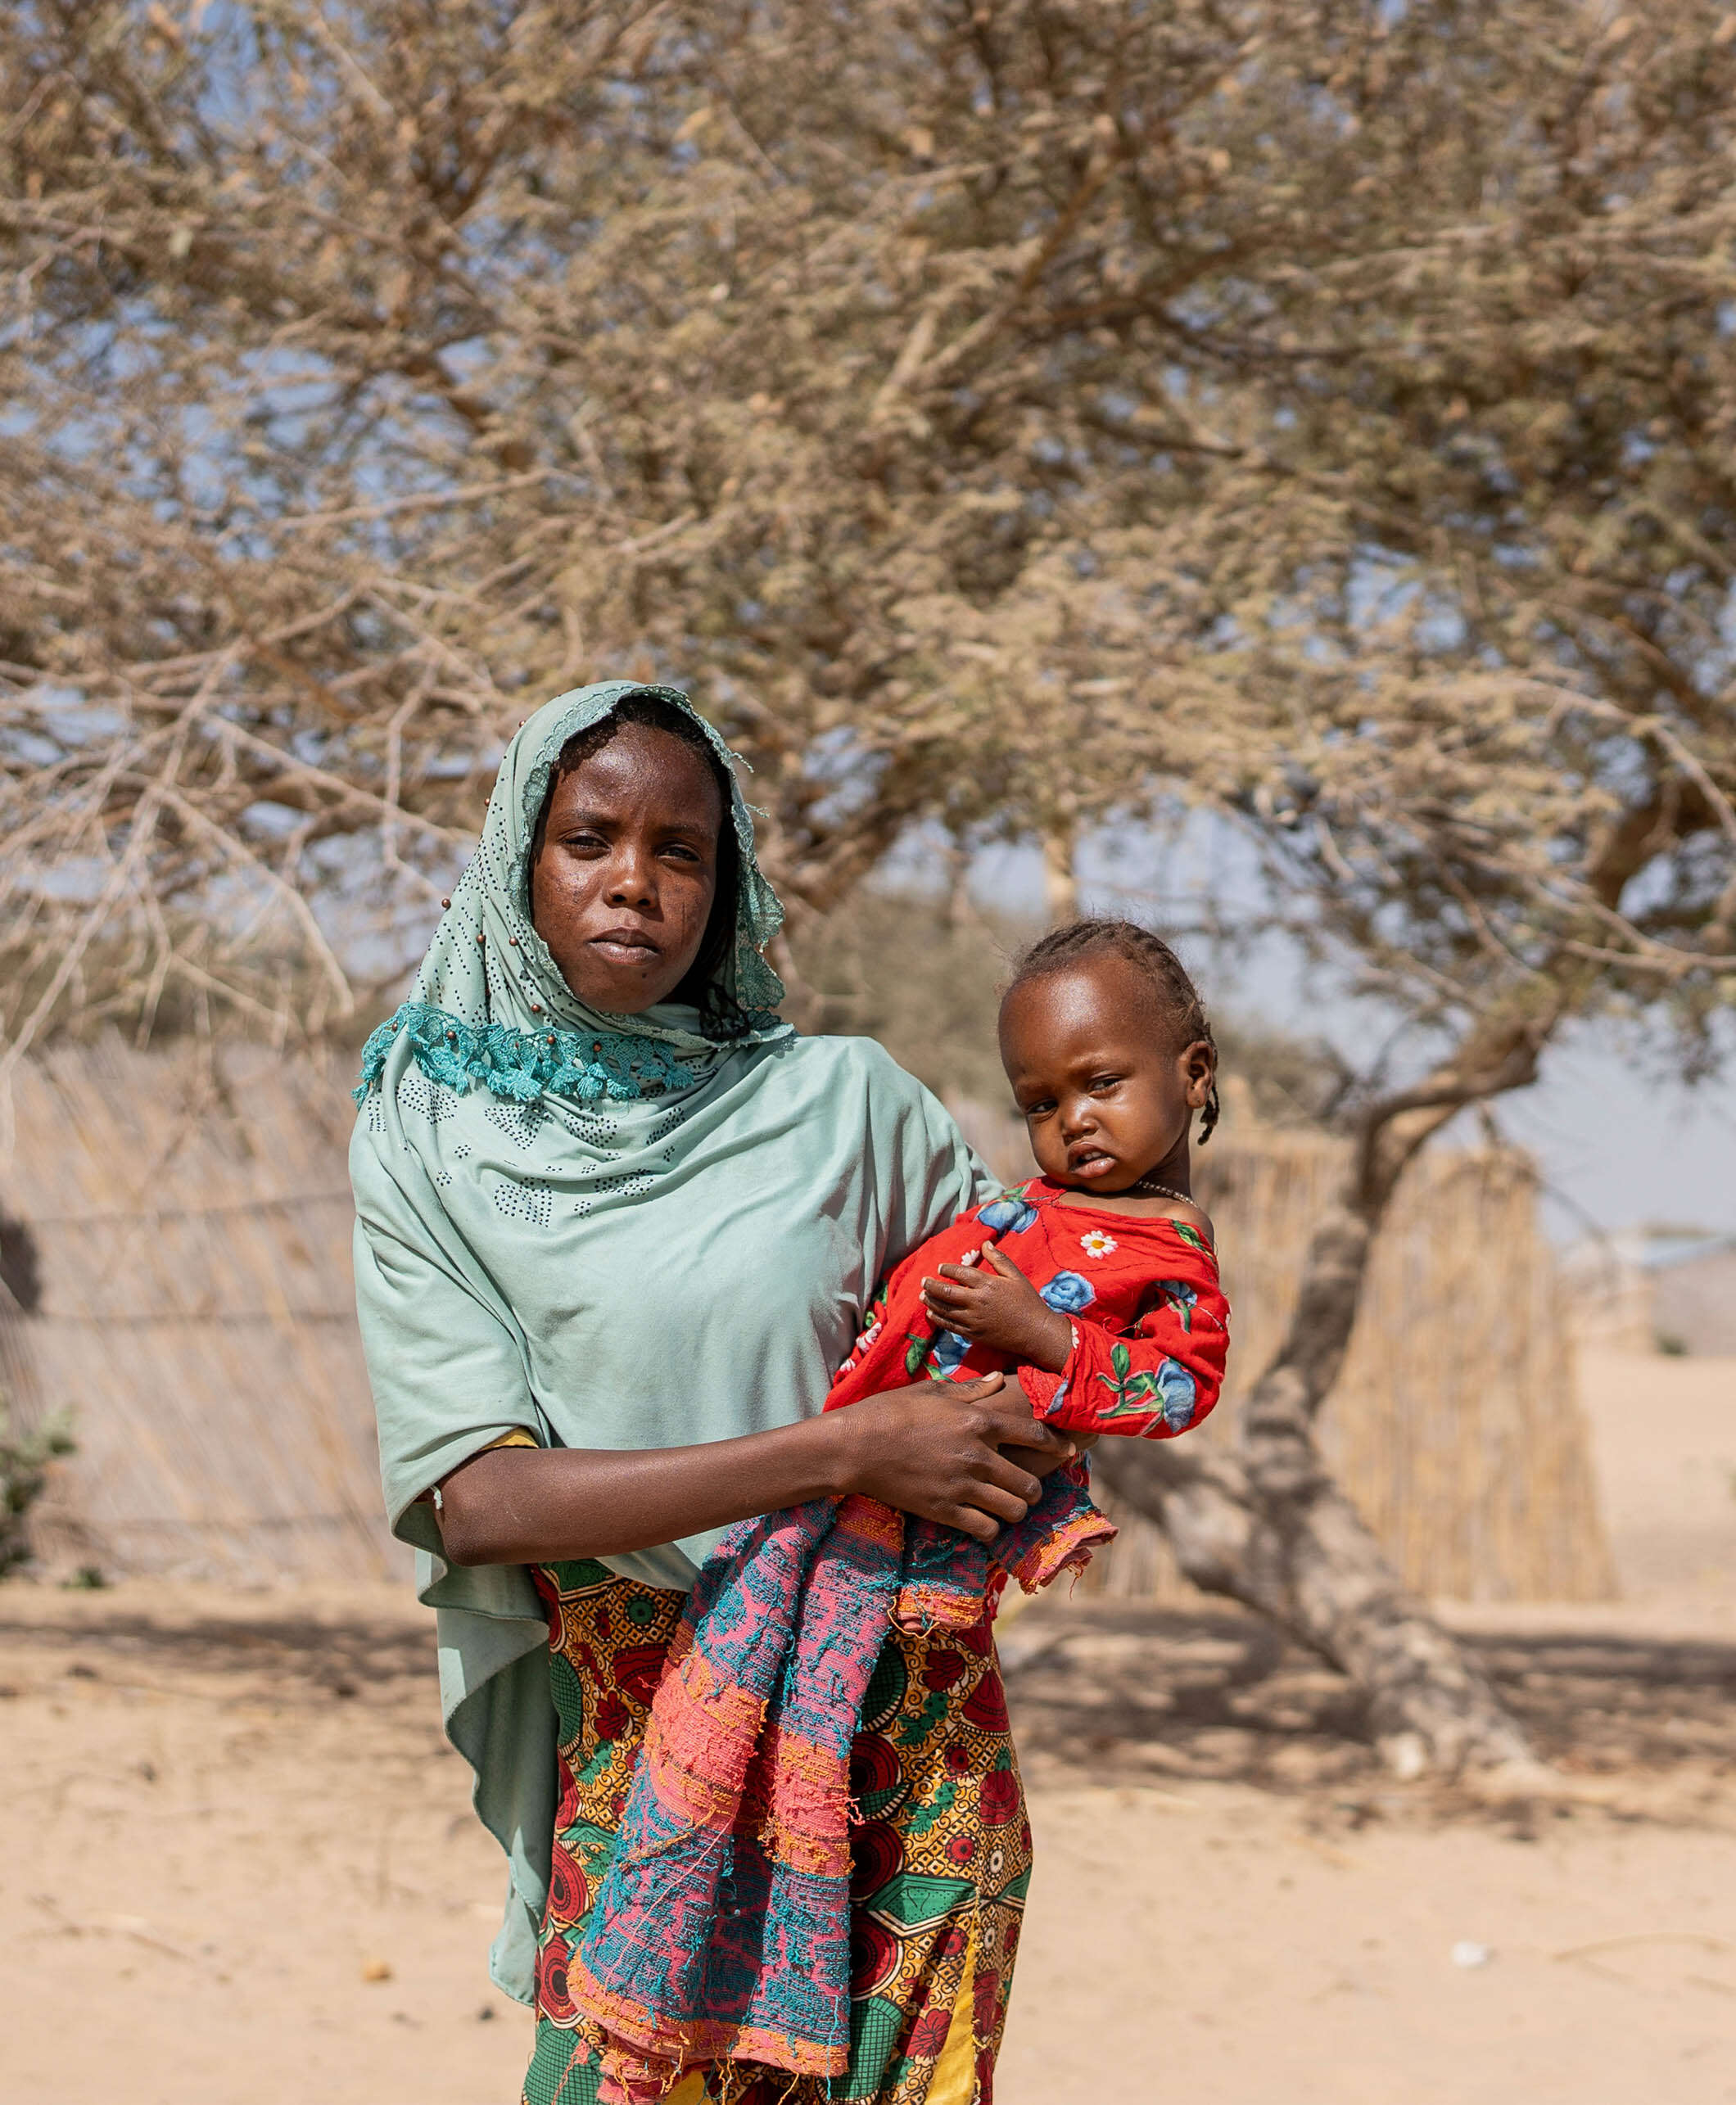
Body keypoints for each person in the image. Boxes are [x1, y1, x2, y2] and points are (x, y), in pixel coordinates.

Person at [353, 679, 1069, 2105]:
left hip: (897, 1735)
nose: (637, 882)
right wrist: (844, 1449)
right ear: (517, 863)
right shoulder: (430, 1136)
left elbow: (1047, 1337)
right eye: (591, 841)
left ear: (726, 887)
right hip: (644, 1731)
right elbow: (479, 1499)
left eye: (683, 852)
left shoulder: (845, 1105)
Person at [556, 922, 1233, 2101]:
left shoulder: (1170, 1252)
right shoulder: (1037, 1202)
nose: (1074, 1120)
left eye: (1104, 1084)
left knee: (799, 1716)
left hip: (907, 1521)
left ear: (1196, 1076)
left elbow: (1177, 1387)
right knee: (743, 1697)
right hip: (840, 1462)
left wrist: (1039, 1338)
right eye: (1041, 1100)